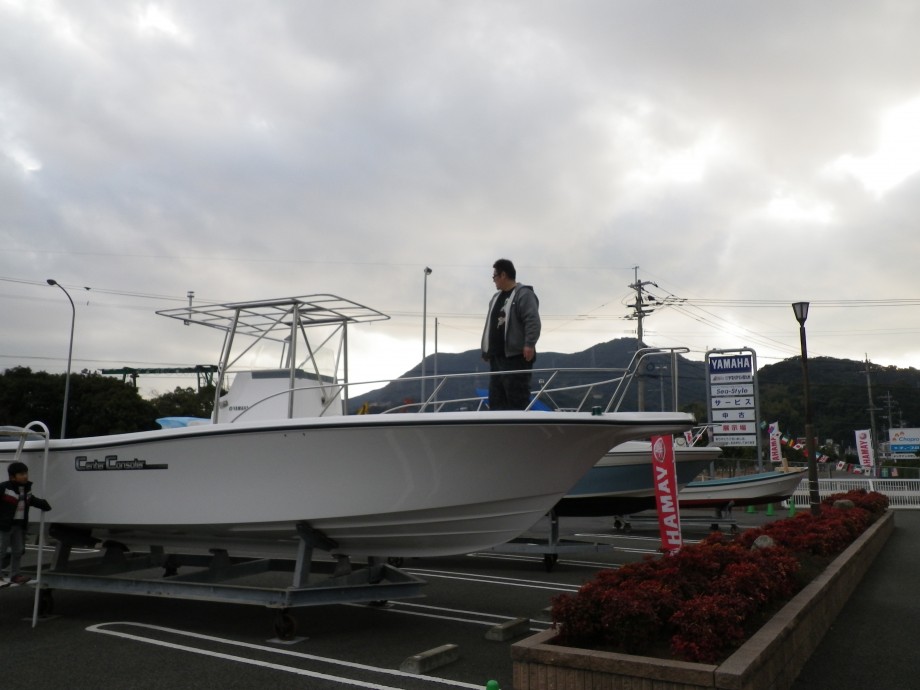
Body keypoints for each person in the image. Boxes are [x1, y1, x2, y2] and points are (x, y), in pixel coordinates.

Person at [481, 258, 542, 410]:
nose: (493, 280)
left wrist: (529, 344)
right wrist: (486, 350)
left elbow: (532, 320)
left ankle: (520, 424)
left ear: (503, 275)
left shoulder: (524, 294)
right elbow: (490, 325)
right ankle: (499, 424)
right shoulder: (495, 298)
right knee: (496, 399)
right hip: (497, 358)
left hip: (516, 356)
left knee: (516, 398)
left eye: (494, 276)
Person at [0, 461, 51, 585]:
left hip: (19, 525)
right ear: (12, 477)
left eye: (26, 473)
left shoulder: (26, 489)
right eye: (21, 474)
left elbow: (31, 500)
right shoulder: (4, 488)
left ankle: (15, 575)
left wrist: (43, 504)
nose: (25, 476)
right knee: (1, 550)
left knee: (18, 550)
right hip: (4, 526)